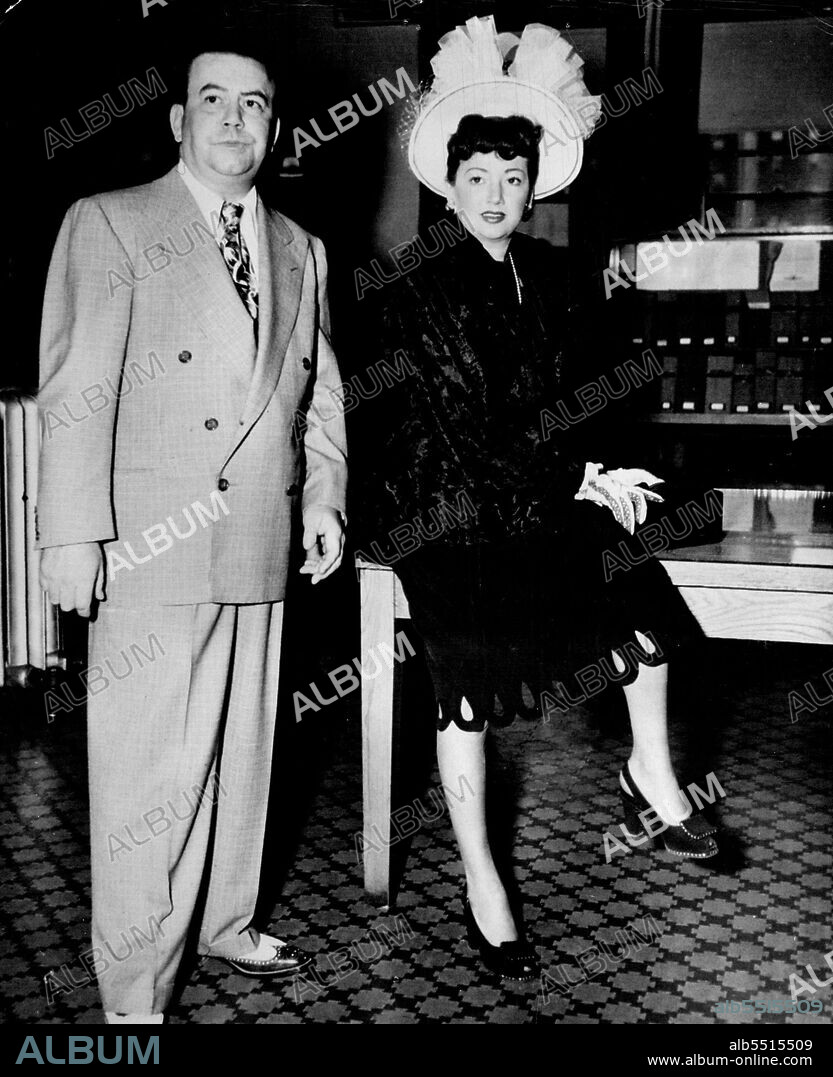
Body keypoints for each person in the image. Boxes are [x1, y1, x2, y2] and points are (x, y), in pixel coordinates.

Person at [358, 16, 719, 982]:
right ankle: (483, 880)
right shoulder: (414, 288)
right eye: (477, 178)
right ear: (447, 182)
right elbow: (466, 429)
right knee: (469, 691)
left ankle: (650, 772)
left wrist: (604, 466)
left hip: (529, 496)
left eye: (512, 179)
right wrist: (580, 478)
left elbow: (576, 397)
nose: (495, 196)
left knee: (635, 589)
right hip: (440, 508)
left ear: (533, 185)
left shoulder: (548, 276)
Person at [36, 36, 347, 1023]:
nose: (230, 119)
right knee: (147, 784)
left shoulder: (303, 248)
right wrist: (70, 534)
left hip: (259, 538)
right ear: (177, 121)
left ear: (275, 129)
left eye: (252, 104)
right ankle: (136, 993)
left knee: (244, 756)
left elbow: (320, 393)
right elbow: (75, 389)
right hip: (151, 544)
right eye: (210, 99)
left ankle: (224, 920)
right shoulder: (112, 223)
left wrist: (324, 496)